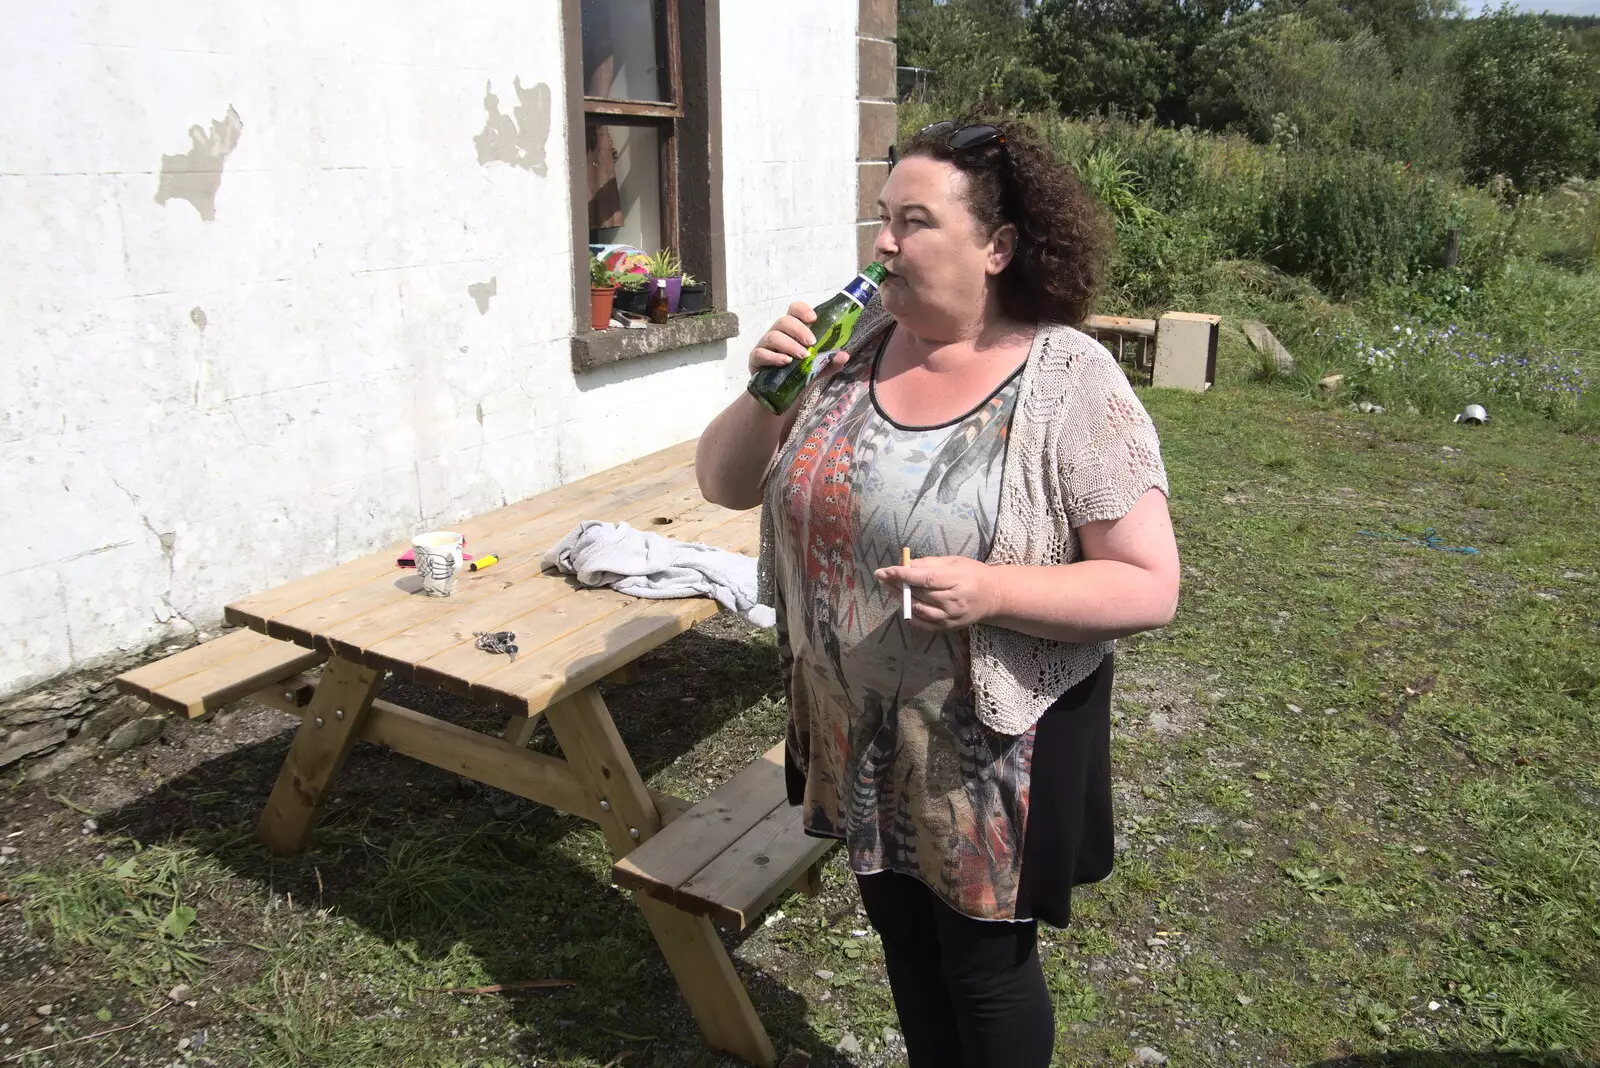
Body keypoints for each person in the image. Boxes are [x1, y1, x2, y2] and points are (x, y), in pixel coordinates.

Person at [695, 119, 1181, 1068]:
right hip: (854, 728)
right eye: (882, 219)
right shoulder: (853, 346)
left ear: (995, 248)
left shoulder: (1069, 379)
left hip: (990, 750)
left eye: (913, 222)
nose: (883, 244)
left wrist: (996, 588)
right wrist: (767, 390)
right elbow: (722, 482)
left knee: (984, 972)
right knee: (905, 946)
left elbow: (1149, 582)